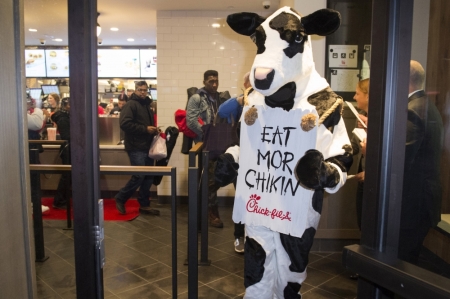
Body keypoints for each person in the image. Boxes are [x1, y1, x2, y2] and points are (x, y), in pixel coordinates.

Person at [398, 60, 444, 264]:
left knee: (403, 259)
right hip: (421, 198)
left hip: (414, 200)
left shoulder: (413, 109)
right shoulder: (426, 104)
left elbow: (402, 156)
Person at [186, 70, 230, 228]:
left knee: (216, 176)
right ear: (204, 81)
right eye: (211, 81)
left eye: (216, 81)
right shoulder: (196, 98)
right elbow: (191, 121)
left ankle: (205, 208)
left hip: (220, 144)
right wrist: (207, 134)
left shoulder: (221, 98)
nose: (214, 84)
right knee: (210, 179)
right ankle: (212, 213)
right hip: (205, 145)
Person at [217, 71, 251, 252]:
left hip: (259, 160)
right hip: (241, 157)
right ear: (245, 85)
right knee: (241, 198)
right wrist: (240, 99)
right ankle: (239, 236)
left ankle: (252, 235)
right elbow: (222, 111)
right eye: (250, 84)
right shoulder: (241, 102)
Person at [114, 81, 160, 215]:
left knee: (148, 177)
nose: (143, 92)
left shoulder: (146, 104)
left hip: (147, 145)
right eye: (140, 90)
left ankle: (145, 204)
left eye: (145, 90)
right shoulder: (131, 104)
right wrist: (145, 129)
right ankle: (121, 197)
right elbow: (125, 124)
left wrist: (153, 130)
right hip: (135, 146)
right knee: (139, 176)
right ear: (135, 90)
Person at [351, 78, 369, 230]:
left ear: (368, 95)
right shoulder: (360, 116)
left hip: (375, 181)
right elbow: (353, 147)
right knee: (362, 222)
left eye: (357, 94)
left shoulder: (385, 119)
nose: (354, 97)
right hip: (362, 178)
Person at [27, 95, 49, 213]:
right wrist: (39, 110)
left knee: (33, 177)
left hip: (30, 149)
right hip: (27, 150)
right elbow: (36, 124)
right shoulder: (20, 112)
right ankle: (33, 204)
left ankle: (34, 203)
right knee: (31, 177)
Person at [50, 97, 72, 209]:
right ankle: (59, 201)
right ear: (65, 106)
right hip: (69, 149)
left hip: (68, 148)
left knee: (68, 175)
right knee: (67, 176)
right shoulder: (63, 118)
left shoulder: (63, 116)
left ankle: (61, 199)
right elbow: (66, 136)